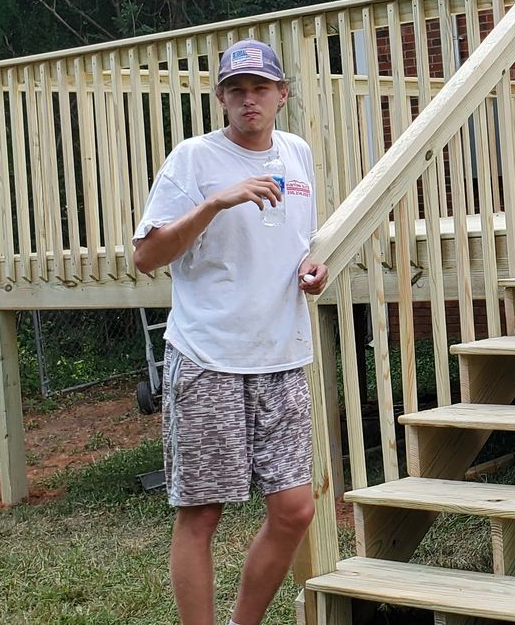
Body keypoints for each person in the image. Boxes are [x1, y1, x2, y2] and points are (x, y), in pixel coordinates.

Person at [133, 38, 330, 625]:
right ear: (220, 98)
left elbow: (301, 245)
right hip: (208, 357)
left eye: (261, 89)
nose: (250, 100)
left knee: (295, 509)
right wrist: (215, 203)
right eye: (237, 90)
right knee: (202, 513)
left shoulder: (297, 154)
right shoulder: (194, 160)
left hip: (282, 357)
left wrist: (315, 268)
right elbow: (146, 257)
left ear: (281, 95)